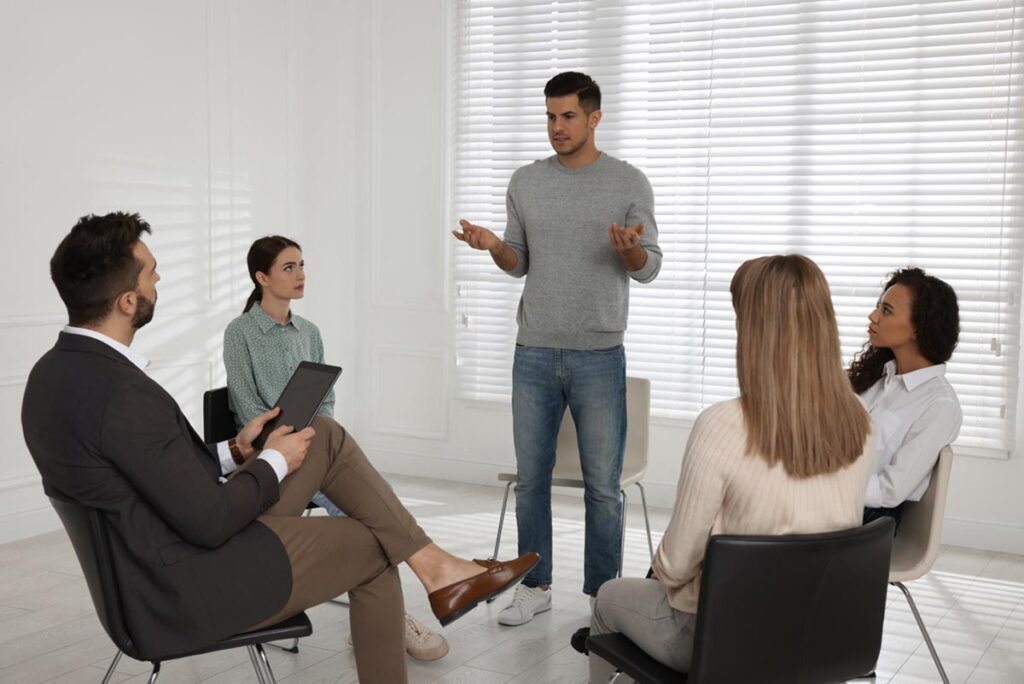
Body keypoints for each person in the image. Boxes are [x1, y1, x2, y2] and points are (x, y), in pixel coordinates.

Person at [22, 212, 538, 684]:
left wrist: (238, 452)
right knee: (374, 544)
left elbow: (157, 473)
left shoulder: (53, 375)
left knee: (326, 436)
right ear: (127, 301)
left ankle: (438, 567)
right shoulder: (124, 393)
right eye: (151, 274)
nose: (159, 281)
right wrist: (273, 460)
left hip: (153, 567)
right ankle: (438, 572)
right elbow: (208, 519)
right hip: (187, 586)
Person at [586, 254, 874, 679]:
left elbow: (676, 564)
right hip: (823, 638)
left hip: (726, 639)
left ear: (755, 330)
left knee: (609, 597)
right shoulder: (858, 419)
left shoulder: (723, 425)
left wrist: (672, 570)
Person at [452, 71, 663, 626]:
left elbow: (650, 268)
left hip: (599, 353)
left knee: (602, 487)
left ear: (594, 118)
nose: (556, 127)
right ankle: (535, 584)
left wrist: (631, 253)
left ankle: (603, 598)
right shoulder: (526, 182)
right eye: (549, 116)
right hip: (535, 352)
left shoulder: (627, 182)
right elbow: (518, 262)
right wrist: (496, 246)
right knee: (531, 480)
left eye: (568, 116)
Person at [223, 235, 449, 661]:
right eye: (289, 267)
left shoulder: (309, 332)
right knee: (366, 510)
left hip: (316, 446)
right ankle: (391, 617)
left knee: (373, 500)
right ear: (261, 277)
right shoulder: (241, 333)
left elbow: (325, 401)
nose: (301, 274)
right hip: (268, 458)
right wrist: (288, 442)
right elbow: (246, 407)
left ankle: (382, 615)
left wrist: (315, 437)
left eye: (302, 265)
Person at [849, 267, 961, 528]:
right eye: (878, 306)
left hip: (867, 520)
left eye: (886, 310)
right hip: (833, 499)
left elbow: (890, 491)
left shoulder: (940, 406)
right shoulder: (876, 379)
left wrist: (825, 483)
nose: (873, 316)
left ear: (918, 329)